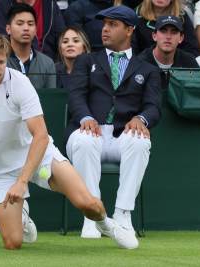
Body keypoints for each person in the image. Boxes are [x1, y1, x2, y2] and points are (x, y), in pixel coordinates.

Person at [0, 31, 139, 250]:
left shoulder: (19, 82)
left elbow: (41, 136)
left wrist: (22, 181)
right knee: (13, 242)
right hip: (0, 169)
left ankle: (107, 224)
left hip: (39, 157)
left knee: (87, 203)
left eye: (1, 61)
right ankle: (22, 216)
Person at [65, 5, 161, 239]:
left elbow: (154, 107)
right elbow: (75, 95)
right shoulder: (86, 61)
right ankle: (93, 215)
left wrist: (141, 119)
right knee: (84, 140)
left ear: (129, 30)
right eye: (104, 24)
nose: (104, 29)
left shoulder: (148, 69)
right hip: (89, 131)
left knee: (140, 141)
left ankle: (122, 214)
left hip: (122, 137)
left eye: (112, 25)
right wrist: (86, 118)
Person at [138, 15, 199, 90]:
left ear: (181, 38)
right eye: (163, 31)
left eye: (174, 32)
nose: (168, 37)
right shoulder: (140, 63)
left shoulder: (189, 63)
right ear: (154, 36)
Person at [0, 0, 66, 60]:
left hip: (49, 61)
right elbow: (0, 38)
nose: (26, 28)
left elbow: (61, 36)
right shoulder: (2, 4)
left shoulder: (50, 3)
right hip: (13, 60)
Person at [6, 3, 56, 89]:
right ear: (8, 29)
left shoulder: (47, 63)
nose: (26, 28)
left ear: (36, 29)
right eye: (20, 23)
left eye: (30, 24)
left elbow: (50, 99)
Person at [63, 0, 141, 52]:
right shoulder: (77, 7)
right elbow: (77, 43)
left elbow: (132, 43)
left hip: (120, 59)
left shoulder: (123, 7)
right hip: (90, 61)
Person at [134, 0, 200, 56]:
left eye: (173, 31)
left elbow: (192, 49)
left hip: (176, 66)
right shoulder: (137, 15)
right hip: (144, 65)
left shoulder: (182, 17)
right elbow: (133, 48)